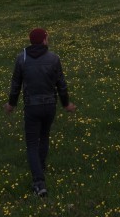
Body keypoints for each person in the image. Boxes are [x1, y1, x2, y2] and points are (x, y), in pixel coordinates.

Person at [5, 28, 76, 197]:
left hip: (32, 107)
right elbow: (61, 84)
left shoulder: (21, 58)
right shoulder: (54, 58)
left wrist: (11, 104)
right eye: (47, 38)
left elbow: (16, 84)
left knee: (32, 144)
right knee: (44, 137)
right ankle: (40, 168)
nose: (48, 40)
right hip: (50, 106)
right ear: (43, 40)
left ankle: (38, 182)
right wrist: (66, 104)